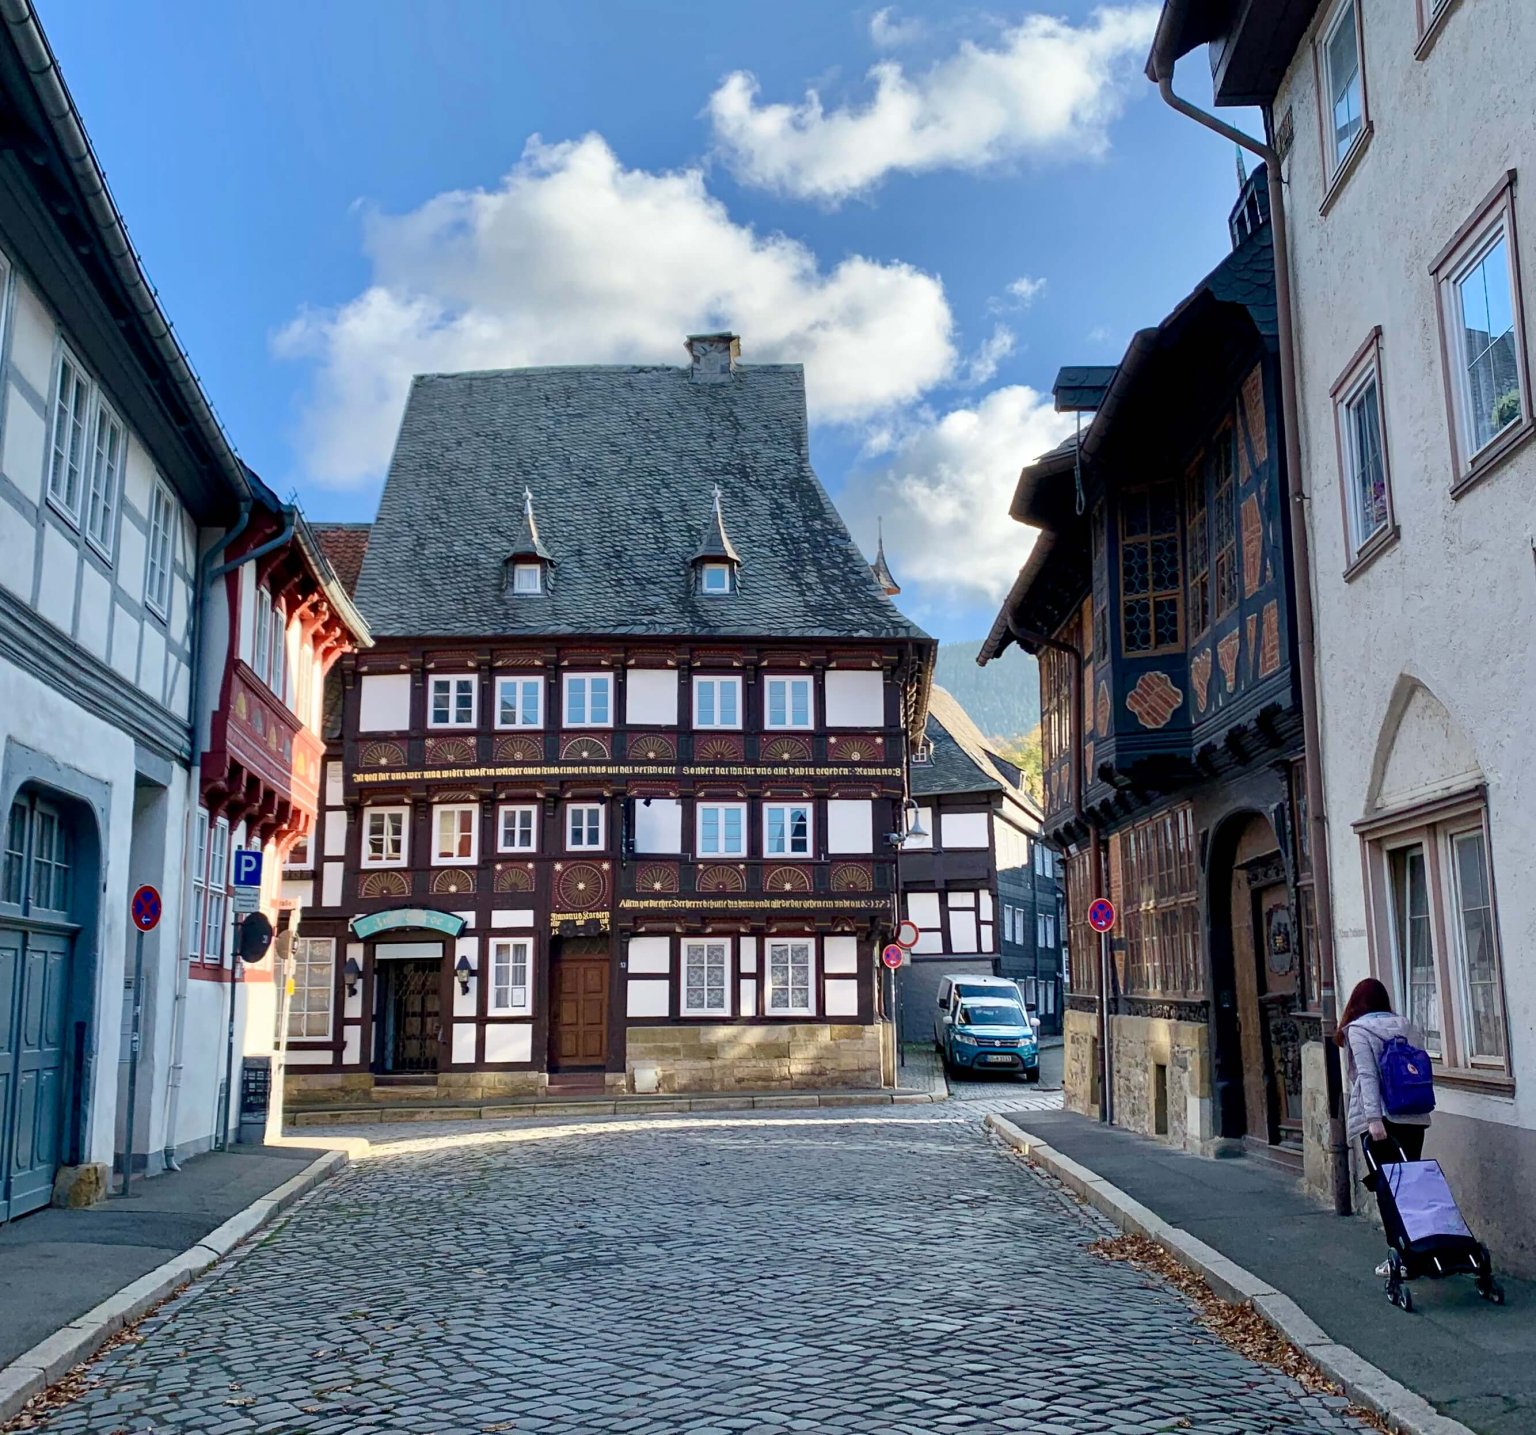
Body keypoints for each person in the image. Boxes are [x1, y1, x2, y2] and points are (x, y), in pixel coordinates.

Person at [1336, 976, 1433, 1275]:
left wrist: (1373, 1120)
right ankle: (1423, 1248)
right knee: (1410, 1185)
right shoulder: (1406, 1025)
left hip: (1383, 1120)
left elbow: (1366, 1076)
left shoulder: (1359, 1031)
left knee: (1388, 1189)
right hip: (1414, 1115)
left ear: (1356, 1003)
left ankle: (1402, 1257)